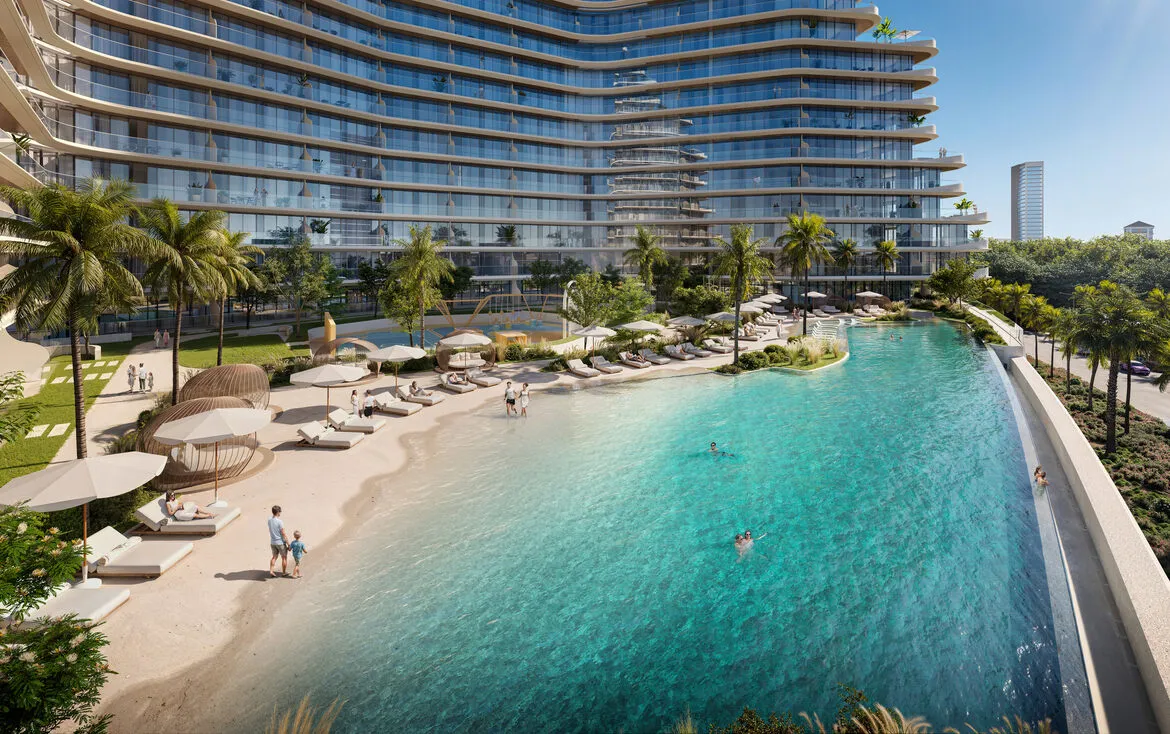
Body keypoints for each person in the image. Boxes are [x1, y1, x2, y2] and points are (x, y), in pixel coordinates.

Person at [268, 505, 290, 578]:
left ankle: (271, 570)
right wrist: (288, 544)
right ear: (277, 512)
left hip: (273, 542)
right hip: (280, 543)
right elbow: (283, 533)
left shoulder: (269, 520)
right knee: (284, 557)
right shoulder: (279, 522)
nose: (280, 513)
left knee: (274, 556)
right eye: (280, 511)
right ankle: (284, 572)